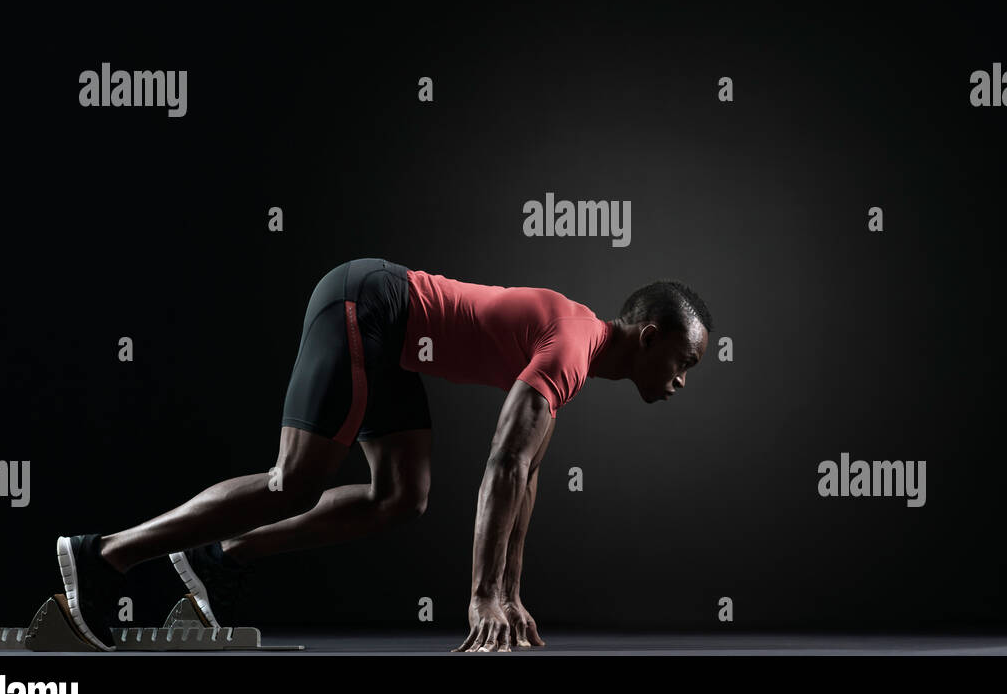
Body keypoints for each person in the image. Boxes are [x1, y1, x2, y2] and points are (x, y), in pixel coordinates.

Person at [55, 258, 711, 652]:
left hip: (398, 339)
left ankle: (218, 558)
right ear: (649, 338)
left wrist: (511, 593)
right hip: (366, 302)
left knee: (401, 497)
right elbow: (504, 464)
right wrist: (482, 596)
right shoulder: (571, 348)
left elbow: (529, 477)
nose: (682, 382)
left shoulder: (578, 344)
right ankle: (106, 553)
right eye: (684, 363)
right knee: (294, 481)